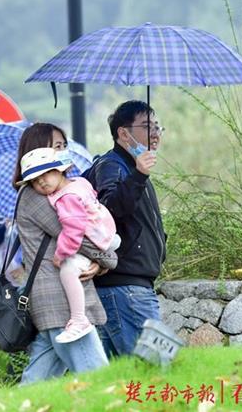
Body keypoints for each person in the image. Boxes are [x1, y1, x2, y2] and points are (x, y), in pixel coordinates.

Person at [12, 123, 116, 385]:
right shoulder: (36, 195)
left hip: (54, 297)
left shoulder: (58, 192)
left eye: (63, 146)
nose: (62, 151)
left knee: (37, 382)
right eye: (55, 146)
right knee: (98, 379)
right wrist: (108, 260)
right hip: (61, 300)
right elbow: (74, 233)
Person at [83, 100, 167, 358]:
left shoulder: (131, 168)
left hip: (129, 286)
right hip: (126, 289)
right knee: (154, 366)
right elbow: (110, 210)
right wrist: (139, 175)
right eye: (146, 126)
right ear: (123, 133)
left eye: (157, 127)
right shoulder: (112, 166)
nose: (155, 134)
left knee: (122, 375)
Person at [18, 147, 120, 344]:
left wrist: (62, 254)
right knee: (51, 362)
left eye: (45, 173)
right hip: (105, 234)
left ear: (59, 170)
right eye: (34, 180)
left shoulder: (65, 197)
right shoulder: (79, 184)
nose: (40, 182)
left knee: (67, 271)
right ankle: (79, 319)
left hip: (95, 241)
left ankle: (79, 320)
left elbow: (73, 231)